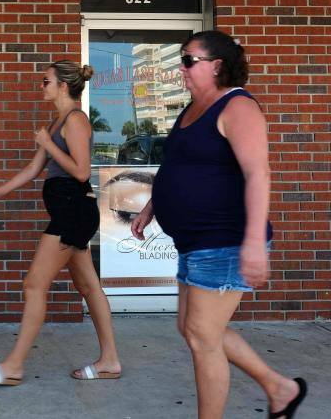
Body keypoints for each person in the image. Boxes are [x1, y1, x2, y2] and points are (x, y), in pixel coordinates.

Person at [130, 31, 307, 418]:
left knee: (201, 337)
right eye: (181, 59)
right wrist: (152, 206)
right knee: (192, 329)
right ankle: (280, 388)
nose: (181, 67)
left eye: (189, 60)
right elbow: (177, 165)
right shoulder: (191, 108)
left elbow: (258, 174)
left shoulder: (237, 107)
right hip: (194, 241)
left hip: (224, 239)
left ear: (217, 66)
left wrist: (253, 243)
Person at [0, 60, 121, 385]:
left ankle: (14, 366)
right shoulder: (56, 123)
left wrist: (49, 143)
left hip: (73, 211)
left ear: (63, 86)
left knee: (34, 285)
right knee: (88, 286)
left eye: (46, 81)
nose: (41, 86)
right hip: (69, 211)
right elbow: (32, 169)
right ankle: (110, 360)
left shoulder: (76, 121)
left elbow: (82, 172)